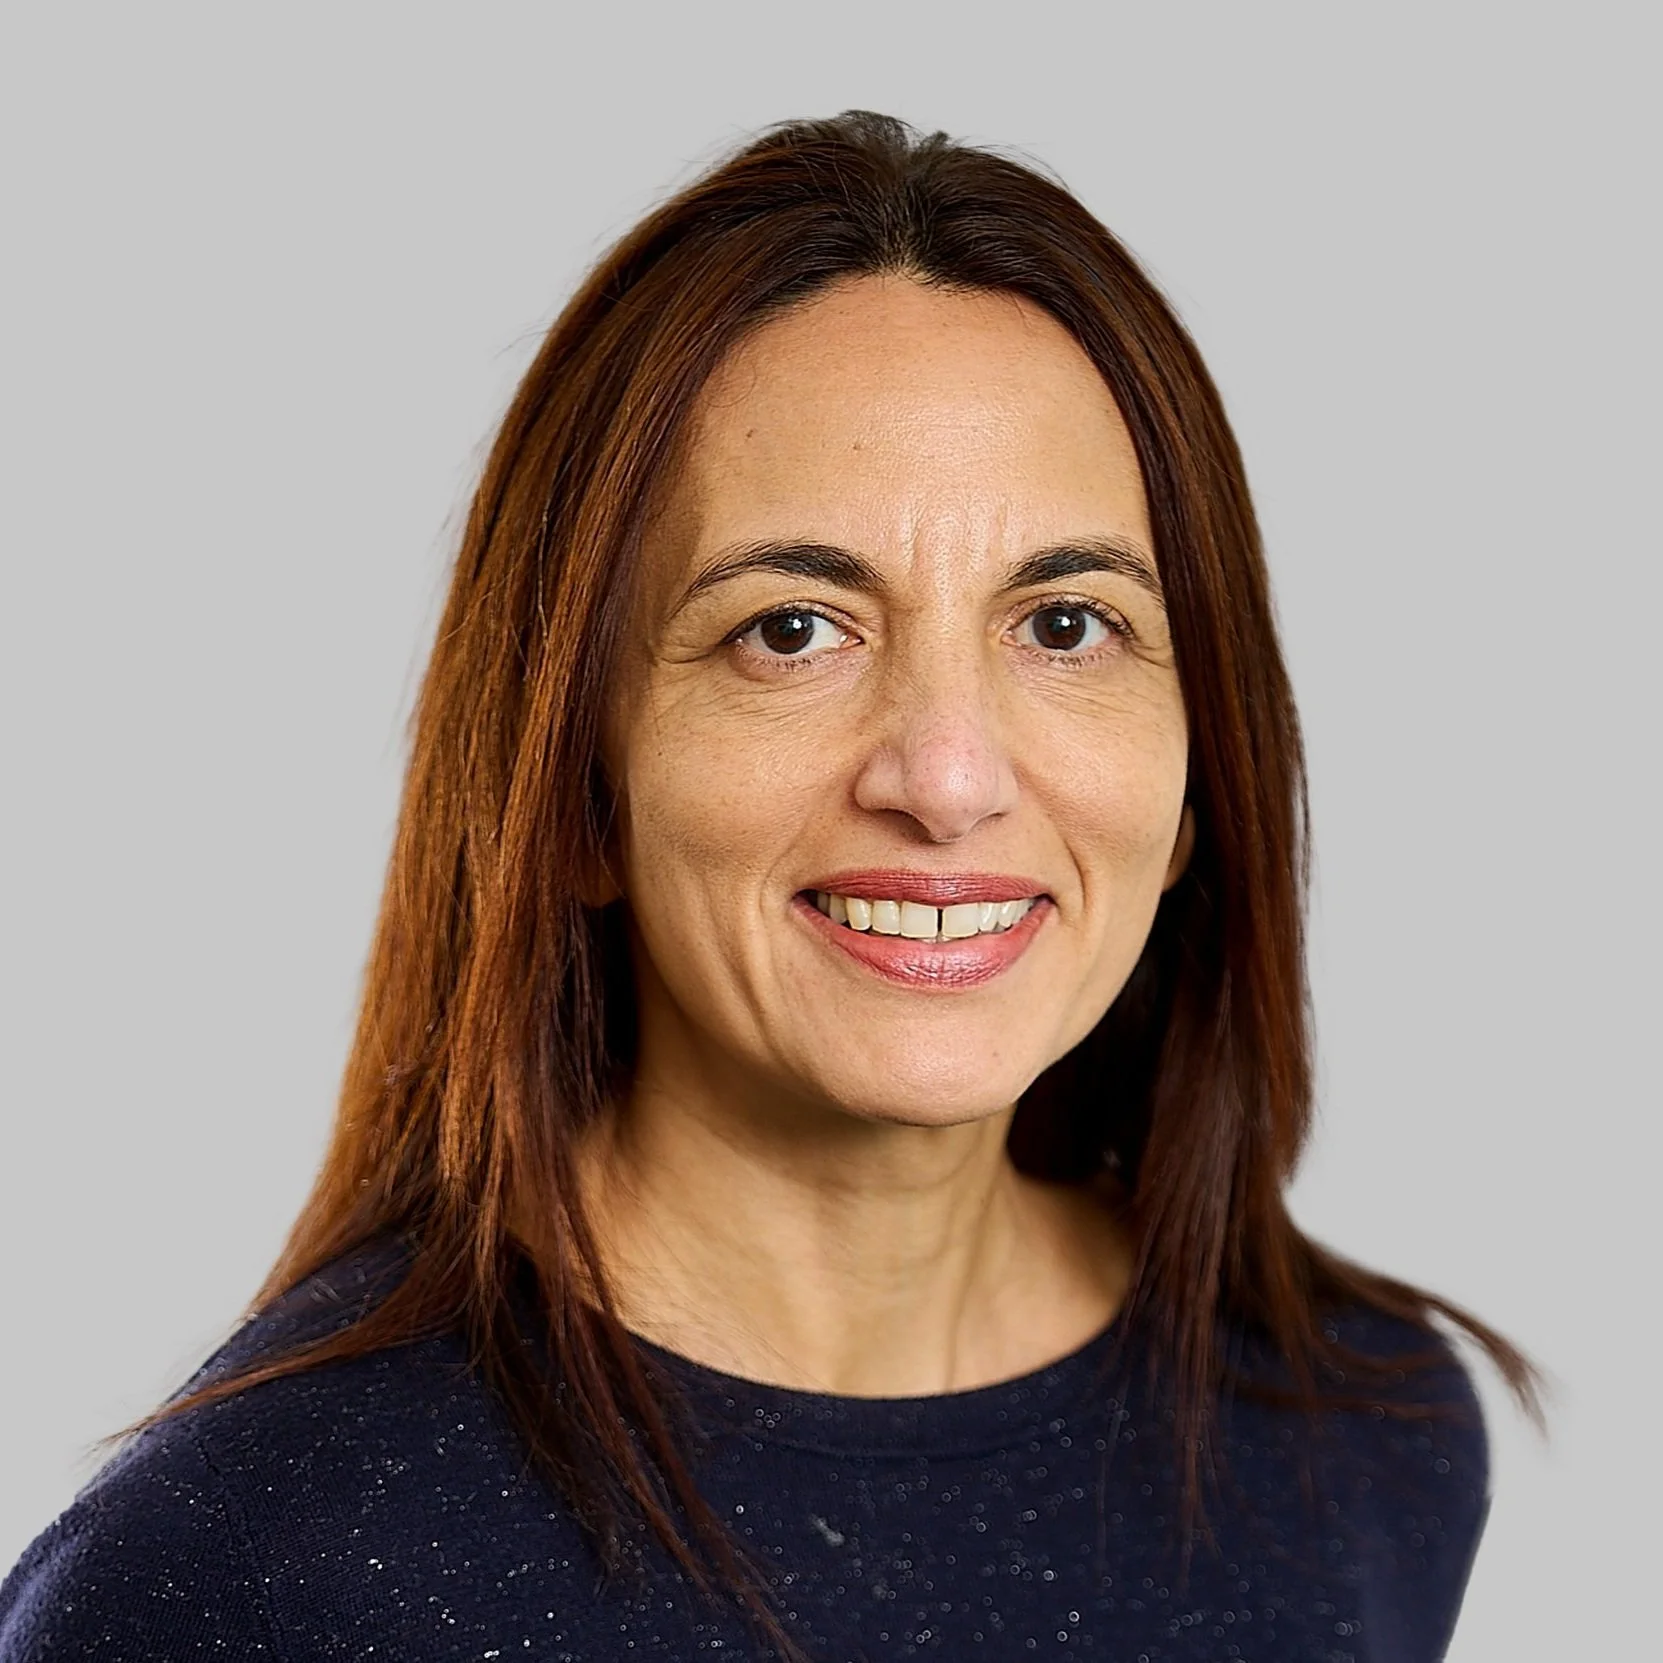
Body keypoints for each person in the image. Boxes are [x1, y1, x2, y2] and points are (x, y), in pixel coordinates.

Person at [0, 110, 1543, 1662]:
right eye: (791, 630)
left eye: (1065, 625)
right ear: (578, 795)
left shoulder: (1358, 1431)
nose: (946, 777)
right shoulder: (249, 1567)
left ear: (1198, 774)